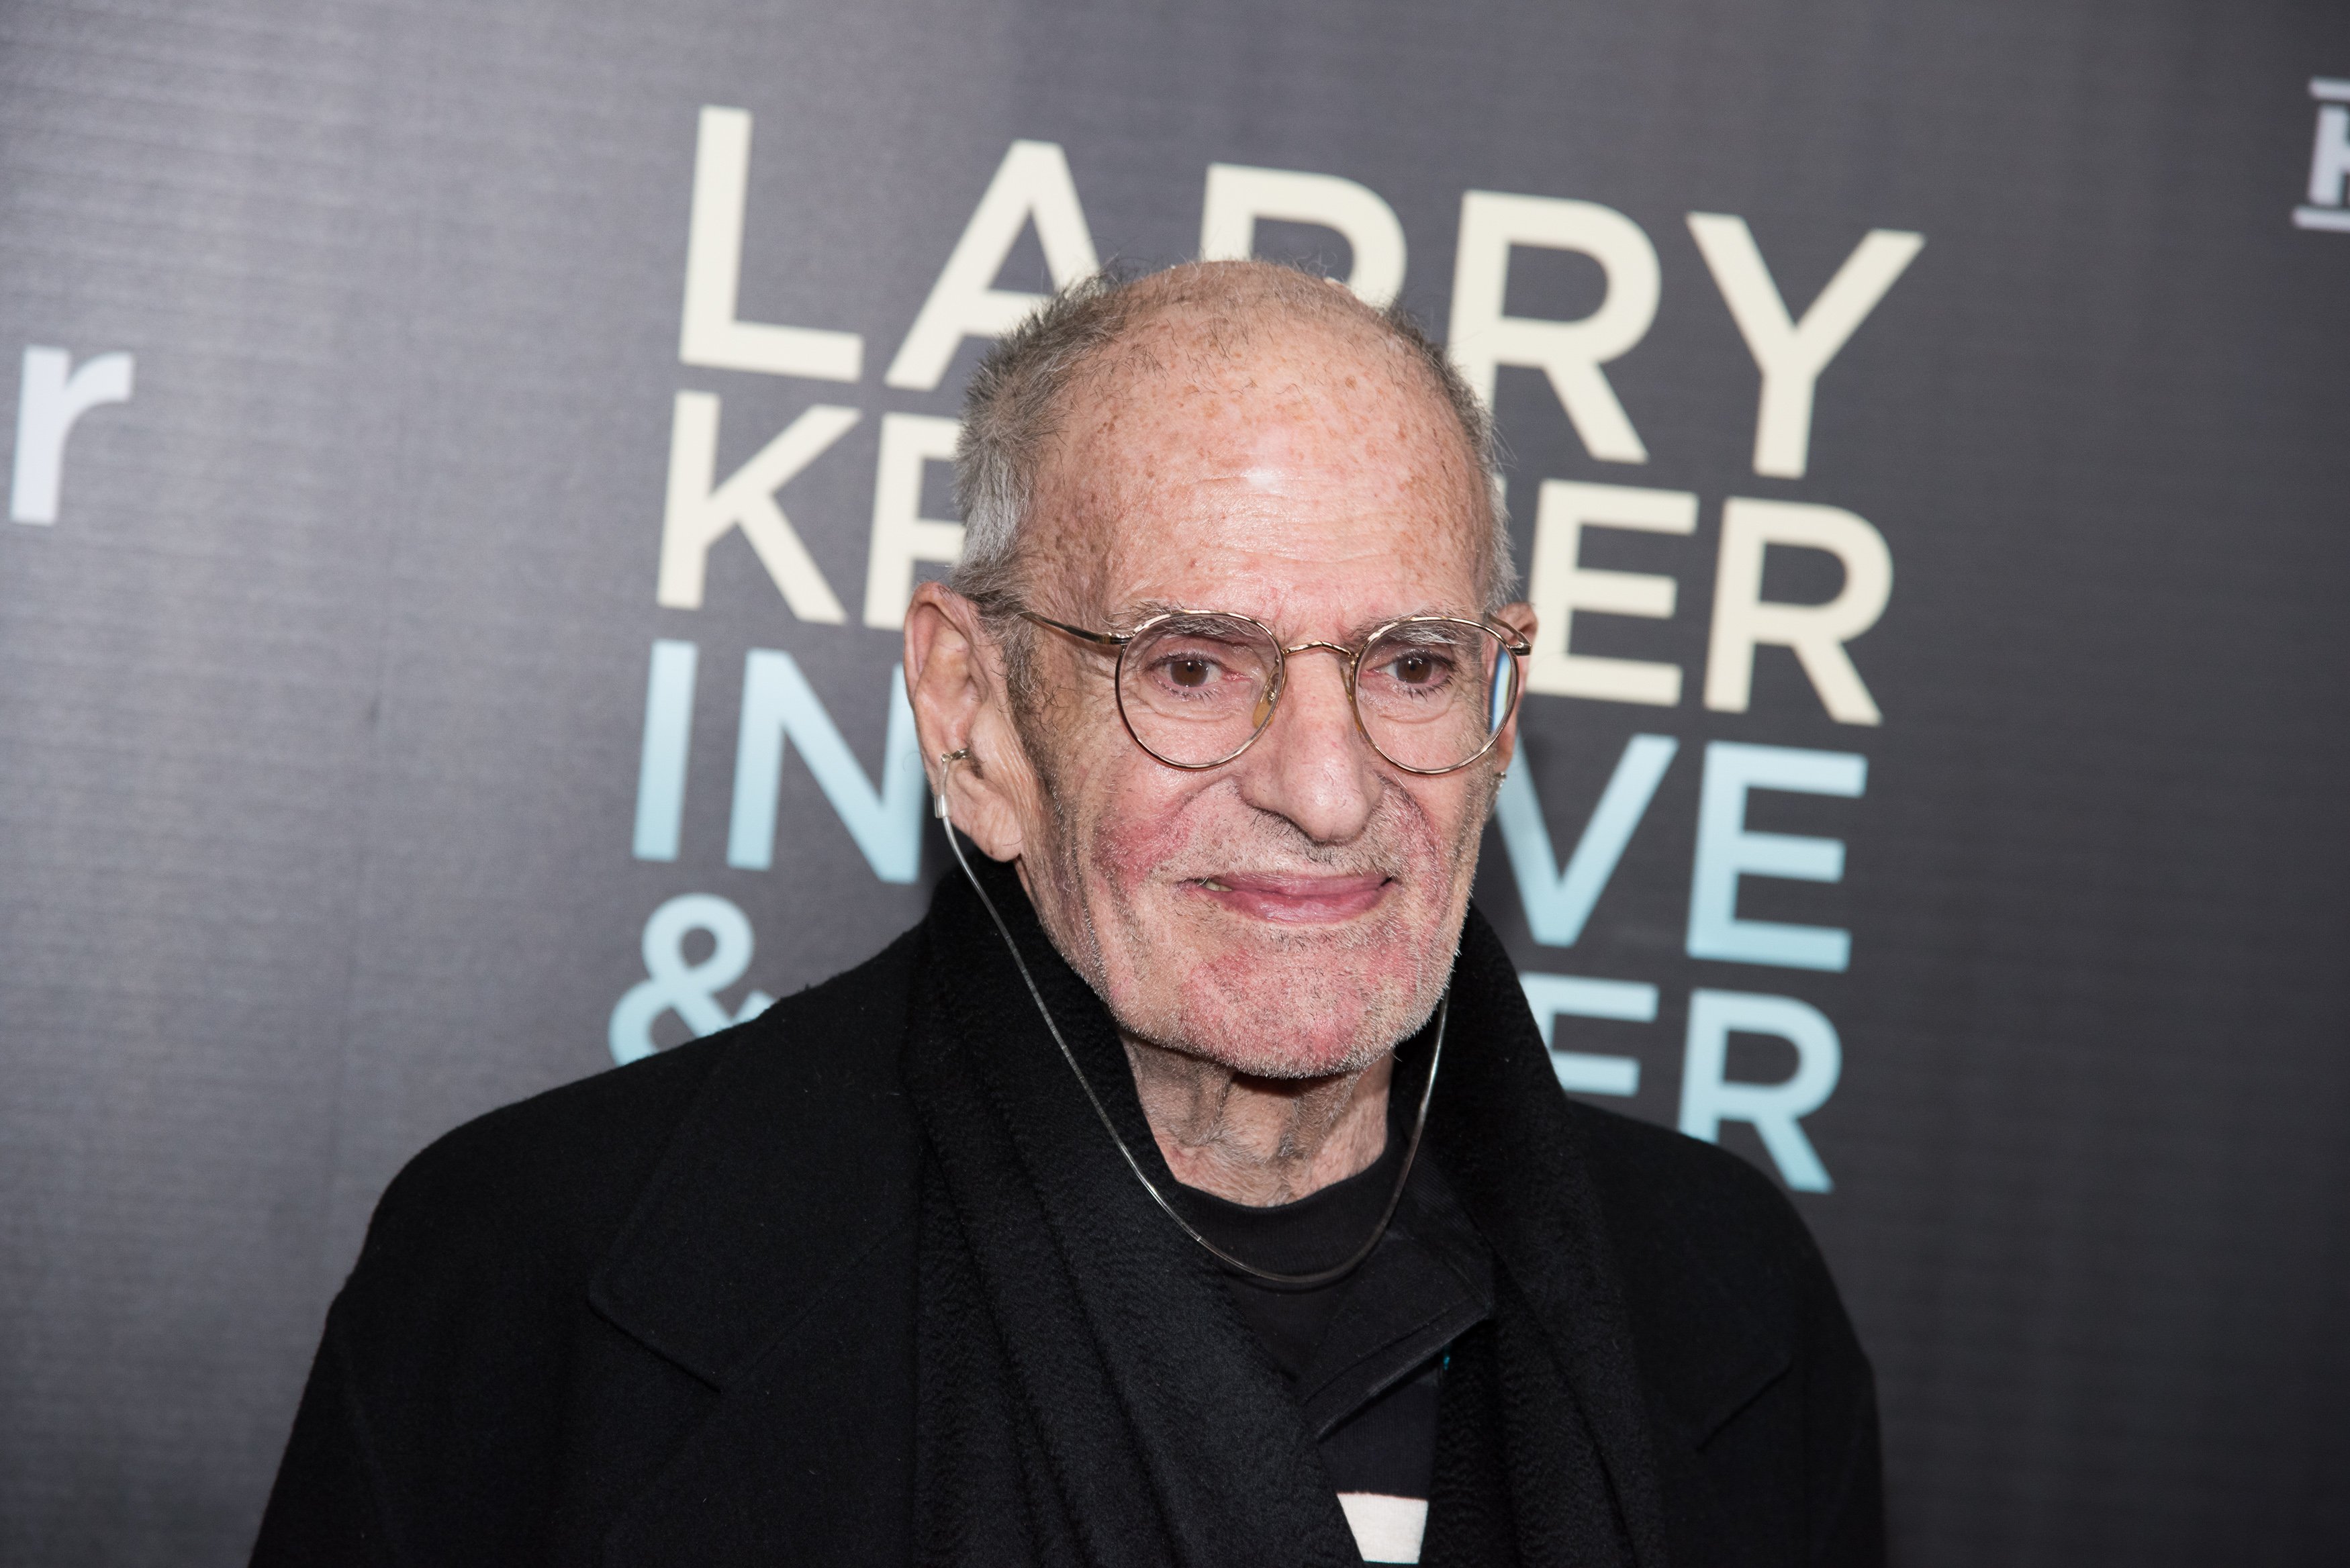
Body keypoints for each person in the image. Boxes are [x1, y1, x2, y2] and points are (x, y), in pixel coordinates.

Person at [252, 260, 1882, 1567]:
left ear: (1497, 710)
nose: (1326, 787)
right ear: (973, 715)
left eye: (1409, 664)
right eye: (1191, 666)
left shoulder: (1723, 1312)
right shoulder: (544, 1280)